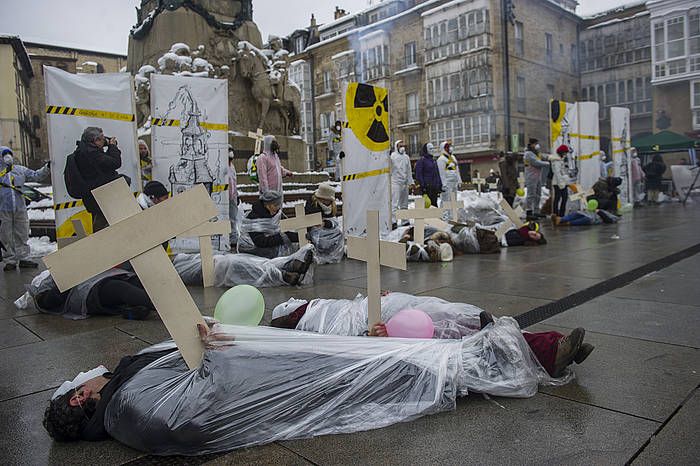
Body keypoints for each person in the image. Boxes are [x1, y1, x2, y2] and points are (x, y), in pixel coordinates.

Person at [43, 305, 586, 453]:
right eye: (82, 384)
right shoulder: (129, 410)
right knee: (403, 373)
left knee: (402, 365)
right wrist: (211, 358)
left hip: (276, 372)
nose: (90, 377)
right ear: (81, 400)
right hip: (280, 382)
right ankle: (534, 355)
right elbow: (190, 421)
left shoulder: (124, 399)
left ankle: (533, 350)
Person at [271, 292, 593, 379]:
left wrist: (380, 298)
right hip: (406, 328)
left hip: (409, 310)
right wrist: (373, 336)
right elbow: (347, 342)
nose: (300, 303)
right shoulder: (319, 324)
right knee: (469, 341)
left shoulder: (326, 308)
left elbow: (355, 307)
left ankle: (552, 344)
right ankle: (550, 352)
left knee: (477, 321)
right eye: (297, 307)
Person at [28, 268, 155, 321]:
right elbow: (50, 300)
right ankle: (168, 305)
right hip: (88, 291)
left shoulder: (54, 272)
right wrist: (67, 277)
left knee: (138, 281)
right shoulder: (44, 289)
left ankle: (135, 306)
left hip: (103, 278)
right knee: (120, 289)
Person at [0, 146, 50, 271]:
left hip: (20, 208)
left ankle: (24, 258)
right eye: (4, 154)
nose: (7, 156)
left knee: (22, 233)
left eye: (8, 153)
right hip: (3, 209)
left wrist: (47, 167)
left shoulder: (19, 170)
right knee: (5, 235)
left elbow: (36, 176)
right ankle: (9, 260)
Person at [69, 127, 123, 232]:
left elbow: (103, 165)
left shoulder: (83, 151)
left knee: (102, 225)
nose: (104, 141)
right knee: (102, 229)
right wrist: (112, 146)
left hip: (95, 197)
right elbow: (115, 163)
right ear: (95, 141)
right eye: (102, 139)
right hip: (100, 199)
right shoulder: (91, 153)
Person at [238, 190, 298, 258]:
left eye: (279, 205)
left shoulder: (276, 213)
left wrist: (297, 236)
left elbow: (285, 228)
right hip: (250, 249)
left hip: (267, 245)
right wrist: (284, 237)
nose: (278, 207)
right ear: (267, 205)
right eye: (275, 205)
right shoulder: (254, 218)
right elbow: (260, 242)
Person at [523, 138, 549, 220]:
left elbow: (543, 156)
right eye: (536, 144)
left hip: (537, 177)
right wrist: (547, 163)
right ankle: (529, 212)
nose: (537, 145)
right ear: (531, 144)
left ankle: (536, 211)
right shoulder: (528, 154)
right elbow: (536, 163)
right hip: (531, 177)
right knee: (531, 195)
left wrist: (551, 157)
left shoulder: (536, 153)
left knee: (538, 194)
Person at [390, 140, 414, 225]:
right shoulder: (392, 156)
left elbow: (409, 170)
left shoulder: (406, 157)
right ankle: (393, 221)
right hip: (395, 182)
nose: (402, 148)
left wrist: (411, 181)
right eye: (400, 146)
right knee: (394, 203)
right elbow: (389, 170)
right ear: (396, 147)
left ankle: (405, 220)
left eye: (404, 146)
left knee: (404, 203)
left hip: (404, 183)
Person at [436, 141, 462, 218]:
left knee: (453, 200)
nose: (450, 148)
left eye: (450, 146)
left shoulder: (453, 158)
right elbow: (441, 173)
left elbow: (457, 170)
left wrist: (459, 180)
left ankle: (452, 216)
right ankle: (443, 216)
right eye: (447, 147)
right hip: (447, 183)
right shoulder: (441, 159)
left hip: (454, 182)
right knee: (445, 200)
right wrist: (443, 184)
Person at [414, 143, 442, 207]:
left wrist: (439, 184)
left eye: (433, 148)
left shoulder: (434, 161)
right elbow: (419, 174)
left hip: (434, 187)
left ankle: (435, 216)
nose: (432, 150)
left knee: (434, 205)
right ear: (426, 150)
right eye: (430, 148)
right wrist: (423, 186)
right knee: (428, 206)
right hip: (427, 187)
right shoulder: (422, 161)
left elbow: (437, 174)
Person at [550, 145, 571, 217]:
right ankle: (558, 215)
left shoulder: (559, 159)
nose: (565, 154)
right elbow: (557, 173)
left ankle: (560, 214)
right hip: (558, 182)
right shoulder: (557, 160)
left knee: (561, 198)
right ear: (561, 152)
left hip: (560, 182)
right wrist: (561, 183)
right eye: (565, 152)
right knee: (560, 198)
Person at [227, 145, 239, 247]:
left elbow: (234, 182)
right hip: (225, 197)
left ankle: (233, 239)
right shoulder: (224, 166)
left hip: (233, 197)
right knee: (228, 219)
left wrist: (237, 195)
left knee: (233, 218)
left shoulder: (232, 166)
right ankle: (229, 238)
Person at [552, 208, 619, 226]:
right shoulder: (604, 210)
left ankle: (565, 223)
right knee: (577, 213)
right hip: (588, 213)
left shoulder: (614, 217)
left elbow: (609, 221)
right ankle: (560, 219)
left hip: (593, 219)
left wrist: (599, 212)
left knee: (585, 219)